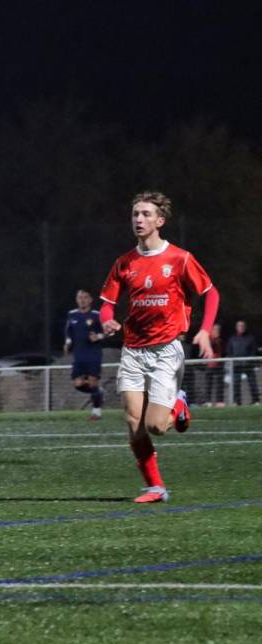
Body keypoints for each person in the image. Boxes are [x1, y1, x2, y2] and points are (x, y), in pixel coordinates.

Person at [99, 191, 218, 504]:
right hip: (133, 350)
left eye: (146, 214)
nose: (139, 219)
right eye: (136, 213)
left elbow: (211, 293)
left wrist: (205, 331)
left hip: (166, 349)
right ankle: (155, 487)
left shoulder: (180, 259)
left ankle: (179, 404)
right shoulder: (124, 262)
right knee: (133, 422)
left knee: (157, 426)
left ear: (160, 221)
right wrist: (108, 320)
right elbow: (107, 304)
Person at [63, 289, 106, 420]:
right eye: (79, 297)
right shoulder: (72, 314)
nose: (82, 300)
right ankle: (99, 392)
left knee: (92, 383)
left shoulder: (97, 315)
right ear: (76, 300)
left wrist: (98, 336)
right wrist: (68, 342)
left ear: (90, 300)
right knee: (78, 384)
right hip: (79, 355)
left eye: (85, 297)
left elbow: (108, 331)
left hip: (93, 355)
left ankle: (96, 412)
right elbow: (68, 332)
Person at [226, 320, 260, 405]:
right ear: (236, 327)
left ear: (245, 327)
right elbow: (229, 351)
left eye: (242, 326)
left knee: (253, 383)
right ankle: (237, 401)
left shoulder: (250, 338)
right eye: (239, 326)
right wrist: (233, 360)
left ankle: (256, 401)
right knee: (236, 384)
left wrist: (248, 359)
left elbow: (253, 351)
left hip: (248, 365)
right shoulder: (232, 339)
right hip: (236, 365)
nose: (241, 327)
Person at [197, 323, 225, 406]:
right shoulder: (209, 340)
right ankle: (208, 401)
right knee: (208, 384)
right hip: (210, 365)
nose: (217, 331)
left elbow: (223, 351)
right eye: (215, 329)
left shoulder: (220, 340)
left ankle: (220, 401)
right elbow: (211, 347)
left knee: (220, 384)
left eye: (218, 329)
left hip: (219, 365)